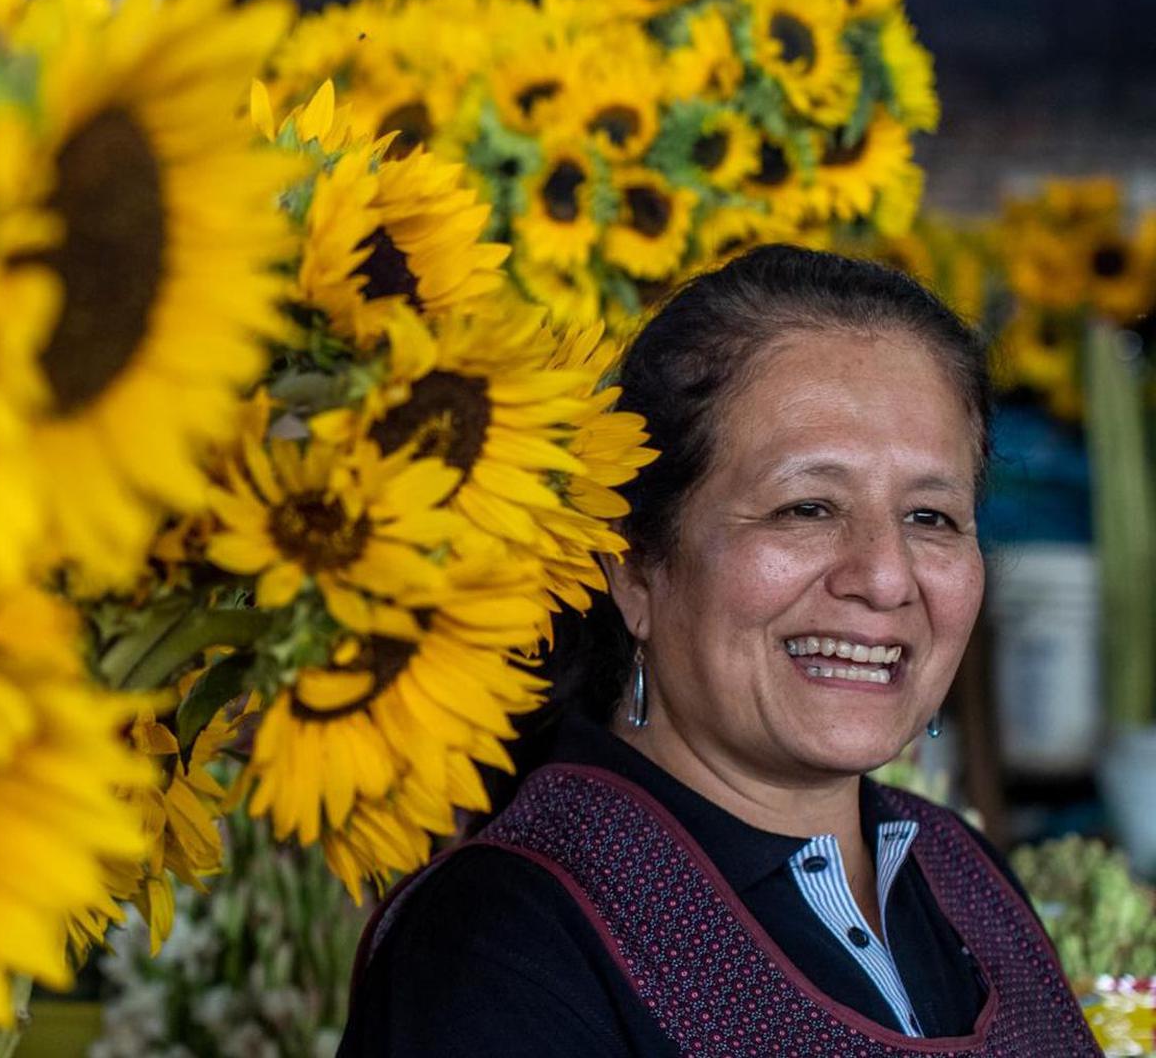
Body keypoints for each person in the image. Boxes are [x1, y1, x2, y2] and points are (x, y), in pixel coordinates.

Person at [339, 246, 1099, 1056]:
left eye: (931, 518)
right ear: (634, 568)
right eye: (806, 507)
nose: (884, 578)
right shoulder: (504, 943)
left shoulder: (961, 878)